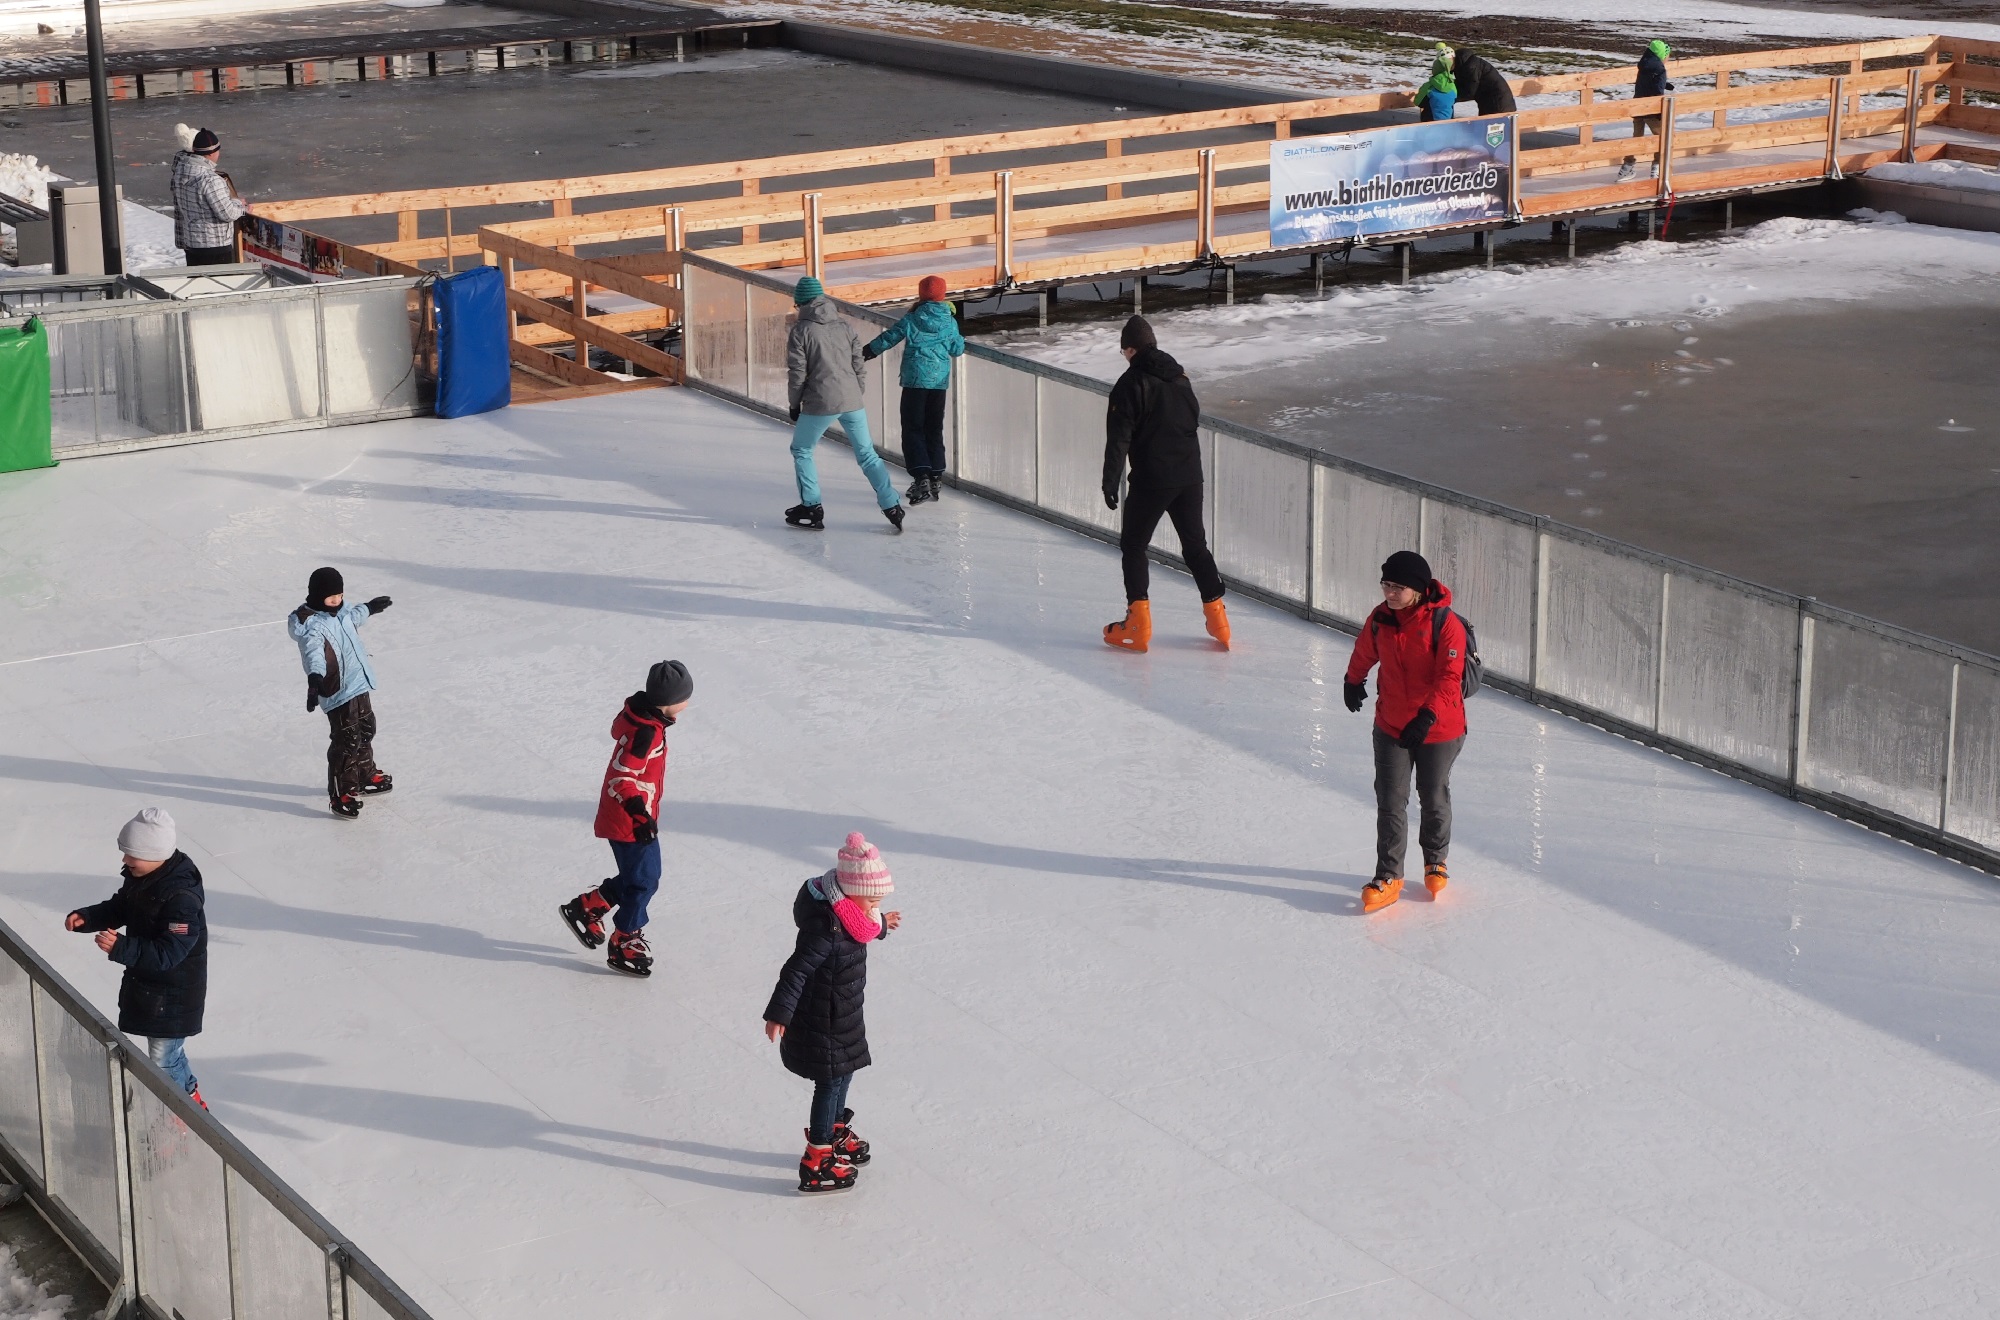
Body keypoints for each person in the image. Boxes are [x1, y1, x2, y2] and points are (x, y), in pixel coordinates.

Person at [763, 832, 900, 1194]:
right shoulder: (826, 928)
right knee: (829, 1081)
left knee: (846, 1071)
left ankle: (836, 1129)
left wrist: (883, 922)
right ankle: (818, 1155)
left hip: (844, 1014)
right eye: (872, 898)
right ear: (851, 890)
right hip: (820, 1018)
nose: (876, 905)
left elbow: (867, 928)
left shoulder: (854, 915)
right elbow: (796, 970)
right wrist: (780, 1013)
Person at [1343, 551, 1469, 914]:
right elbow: (1365, 648)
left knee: (1432, 794)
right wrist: (1353, 680)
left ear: (1417, 589)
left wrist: (1427, 716)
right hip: (1392, 724)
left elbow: (1450, 677)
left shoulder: (1444, 623)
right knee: (1390, 798)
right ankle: (1389, 875)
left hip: (1440, 727)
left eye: (1398, 587)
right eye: (1386, 585)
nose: (1390, 593)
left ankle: (1434, 860)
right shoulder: (1382, 617)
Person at [66, 809, 209, 1110]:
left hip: (175, 994)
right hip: (155, 988)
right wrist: (89, 917)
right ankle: (193, 1102)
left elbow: (170, 952)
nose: (125, 861)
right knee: (169, 1055)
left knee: (162, 1059)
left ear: (155, 854)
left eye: (132, 855)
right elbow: (121, 908)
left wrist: (121, 947)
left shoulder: (181, 898)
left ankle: (179, 1117)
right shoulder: (145, 877)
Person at [1101, 315, 1229, 653]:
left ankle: (1137, 624)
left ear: (1130, 349)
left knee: (1134, 546)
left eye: (1123, 352)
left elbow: (1119, 439)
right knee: (1195, 546)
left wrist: (1110, 482)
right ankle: (1219, 620)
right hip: (1188, 475)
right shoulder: (1179, 376)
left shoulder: (1130, 385)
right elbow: (1192, 420)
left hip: (1152, 479)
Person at [559, 661, 692, 978]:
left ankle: (591, 905)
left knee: (641, 876)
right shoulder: (646, 733)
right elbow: (621, 777)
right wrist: (638, 813)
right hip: (629, 820)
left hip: (630, 816)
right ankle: (625, 936)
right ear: (670, 701)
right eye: (685, 697)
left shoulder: (648, 722)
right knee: (646, 879)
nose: (688, 703)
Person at [785, 276, 905, 533]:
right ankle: (891, 504)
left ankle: (811, 506)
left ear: (801, 303)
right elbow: (858, 364)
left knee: (802, 450)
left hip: (820, 401)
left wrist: (794, 404)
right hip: (852, 400)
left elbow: (797, 373)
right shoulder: (845, 326)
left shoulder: (801, 331)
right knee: (867, 454)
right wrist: (855, 390)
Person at [287, 567, 393, 819]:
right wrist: (315, 679)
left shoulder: (342, 611)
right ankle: (341, 793)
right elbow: (314, 654)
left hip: (358, 682)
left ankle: (364, 774)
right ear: (317, 596)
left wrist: (369, 607)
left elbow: (354, 616)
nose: (337, 600)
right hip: (336, 689)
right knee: (346, 742)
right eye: (331, 597)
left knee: (367, 729)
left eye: (340, 595)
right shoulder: (312, 625)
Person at [862, 274, 965, 507]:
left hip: (914, 381)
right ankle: (936, 475)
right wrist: (959, 337)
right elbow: (957, 349)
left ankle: (921, 477)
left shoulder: (913, 317)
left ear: (921, 294)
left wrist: (867, 351)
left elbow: (890, 336)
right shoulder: (949, 320)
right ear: (942, 295)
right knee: (933, 428)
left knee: (912, 429)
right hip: (938, 383)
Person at [170, 126, 247, 266]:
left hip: (192, 244)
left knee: (199, 286)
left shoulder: (181, 171)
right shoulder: (211, 179)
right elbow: (227, 213)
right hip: (215, 247)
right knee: (219, 287)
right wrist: (240, 206)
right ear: (212, 153)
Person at [1617, 40, 1676, 182]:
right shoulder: (1660, 69)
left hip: (1638, 106)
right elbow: (1657, 91)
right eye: (1667, 56)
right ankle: (1657, 167)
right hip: (1651, 109)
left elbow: (1645, 83)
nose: (1668, 59)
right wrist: (1659, 112)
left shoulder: (1644, 65)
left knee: (1637, 136)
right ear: (1662, 55)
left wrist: (1665, 83)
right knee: (1663, 137)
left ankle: (1626, 167)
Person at [1452, 48, 1517, 115]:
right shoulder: (1466, 63)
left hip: (1498, 105)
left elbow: (1470, 91)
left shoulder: (1470, 67)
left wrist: (1449, 97)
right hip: (1494, 102)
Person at [1415, 43, 1457, 122]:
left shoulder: (1428, 86)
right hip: (1449, 123)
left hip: (1429, 123)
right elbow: (1453, 100)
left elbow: (1418, 102)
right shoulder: (1452, 86)